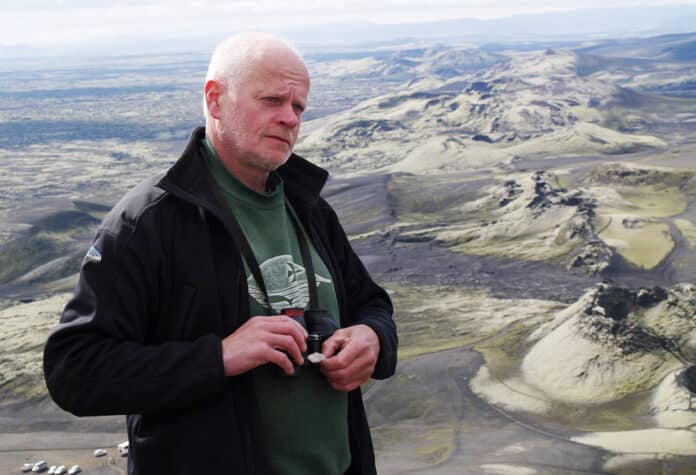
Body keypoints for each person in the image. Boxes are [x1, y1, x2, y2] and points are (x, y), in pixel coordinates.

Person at [43, 32, 398, 475]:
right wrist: (219, 357)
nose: (289, 118)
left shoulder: (307, 206)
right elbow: (74, 370)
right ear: (215, 100)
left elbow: (372, 304)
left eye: (299, 107)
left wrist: (373, 338)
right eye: (272, 100)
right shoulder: (150, 222)